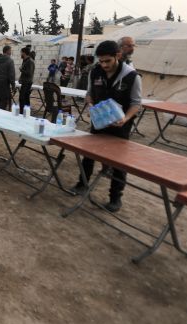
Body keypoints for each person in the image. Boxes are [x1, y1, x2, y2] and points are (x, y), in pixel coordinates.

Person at [70, 40, 142, 212]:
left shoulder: (132, 76)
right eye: (101, 61)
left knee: (118, 162)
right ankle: (82, 184)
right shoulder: (95, 72)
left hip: (120, 125)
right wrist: (91, 106)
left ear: (117, 56)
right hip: (99, 121)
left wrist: (125, 118)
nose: (104, 65)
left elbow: (136, 103)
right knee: (89, 154)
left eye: (107, 61)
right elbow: (89, 94)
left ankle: (115, 198)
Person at [18, 47, 35, 114]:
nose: (20, 54)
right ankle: (26, 112)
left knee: (22, 98)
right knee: (25, 98)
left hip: (27, 83)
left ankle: (22, 113)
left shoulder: (30, 61)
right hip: (24, 82)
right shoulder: (25, 60)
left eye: (21, 52)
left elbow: (29, 73)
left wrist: (21, 69)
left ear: (24, 53)